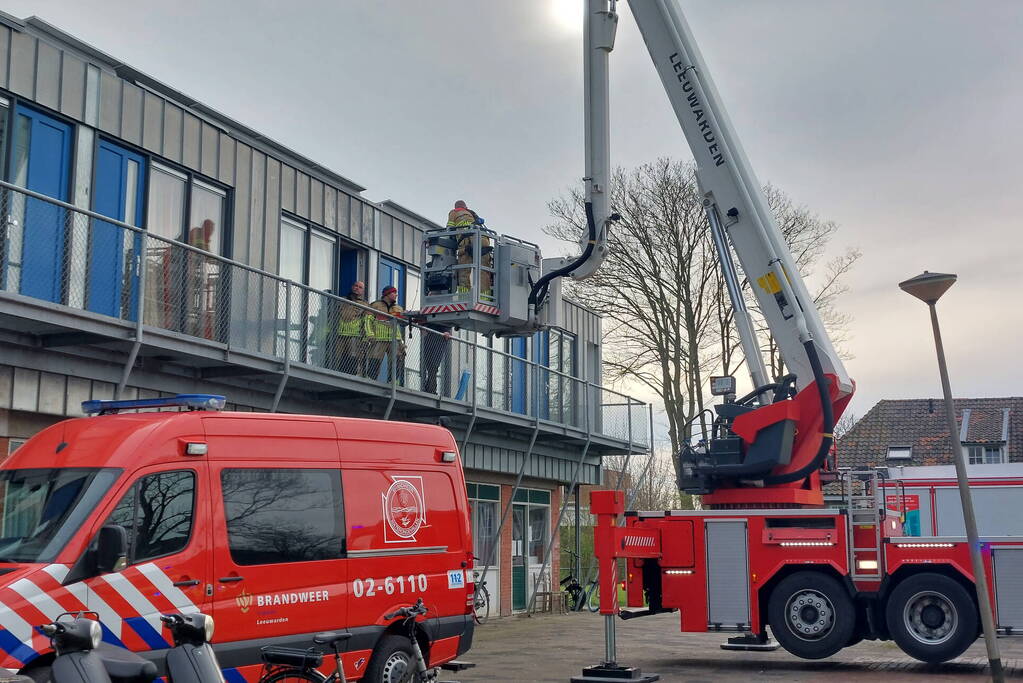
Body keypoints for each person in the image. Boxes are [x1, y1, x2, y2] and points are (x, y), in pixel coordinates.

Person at [446, 200, 493, 297]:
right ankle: (485, 299)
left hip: (468, 242)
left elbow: (449, 229)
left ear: (456, 207)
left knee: (464, 271)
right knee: (483, 272)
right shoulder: (472, 214)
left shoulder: (454, 212)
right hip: (484, 241)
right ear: (466, 207)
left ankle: (464, 297)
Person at [367, 285, 405, 383]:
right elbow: (368, 320)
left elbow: (403, 322)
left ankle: (392, 384)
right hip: (378, 338)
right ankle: (371, 381)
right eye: (394, 293)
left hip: (395, 339)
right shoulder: (375, 305)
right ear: (387, 294)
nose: (396, 295)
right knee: (374, 360)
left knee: (396, 362)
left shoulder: (398, 308)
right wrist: (370, 334)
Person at [337, 281, 369, 375]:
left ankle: (351, 376)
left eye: (360, 287)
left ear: (363, 291)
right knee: (337, 357)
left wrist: (365, 337)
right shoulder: (342, 300)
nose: (357, 288)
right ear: (352, 287)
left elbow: (366, 322)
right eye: (356, 286)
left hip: (354, 335)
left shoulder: (365, 304)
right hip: (340, 334)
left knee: (352, 358)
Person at [421, 322, 453, 394]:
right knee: (429, 365)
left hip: (440, 338)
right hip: (430, 336)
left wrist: (447, 332)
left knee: (434, 365)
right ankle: (430, 388)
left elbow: (449, 321)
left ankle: (430, 388)